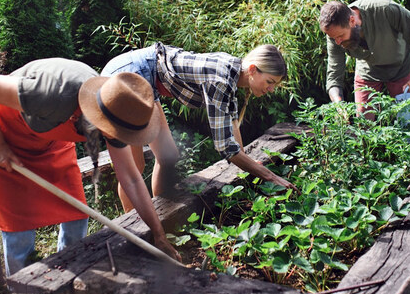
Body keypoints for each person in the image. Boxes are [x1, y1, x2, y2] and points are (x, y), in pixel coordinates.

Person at [0, 58, 182, 276]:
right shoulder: (52, 95)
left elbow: (132, 178)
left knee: (76, 213)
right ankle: (25, 291)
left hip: (48, 140)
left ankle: (68, 274)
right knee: (19, 227)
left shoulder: (119, 112)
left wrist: (158, 234)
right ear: (100, 117)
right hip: (0, 133)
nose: (121, 139)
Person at [101, 43, 297, 212]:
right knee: (135, 167)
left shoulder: (233, 72)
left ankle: (161, 217)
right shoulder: (220, 80)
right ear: (253, 69)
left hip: (145, 75)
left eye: (275, 85)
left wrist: (248, 164)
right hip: (129, 75)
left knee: (167, 157)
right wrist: (269, 176)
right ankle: (135, 229)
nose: (271, 89)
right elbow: (225, 148)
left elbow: (231, 122)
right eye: (270, 82)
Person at [318, 0, 410, 118]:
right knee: (363, 122)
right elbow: (334, 76)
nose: (338, 42)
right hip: (368, 70)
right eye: (333, 38)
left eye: (340, 36)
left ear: (352, 21)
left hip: (402, 66)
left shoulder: (384, 8)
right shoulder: (335, 34)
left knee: (408, 118)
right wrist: (338, 105)